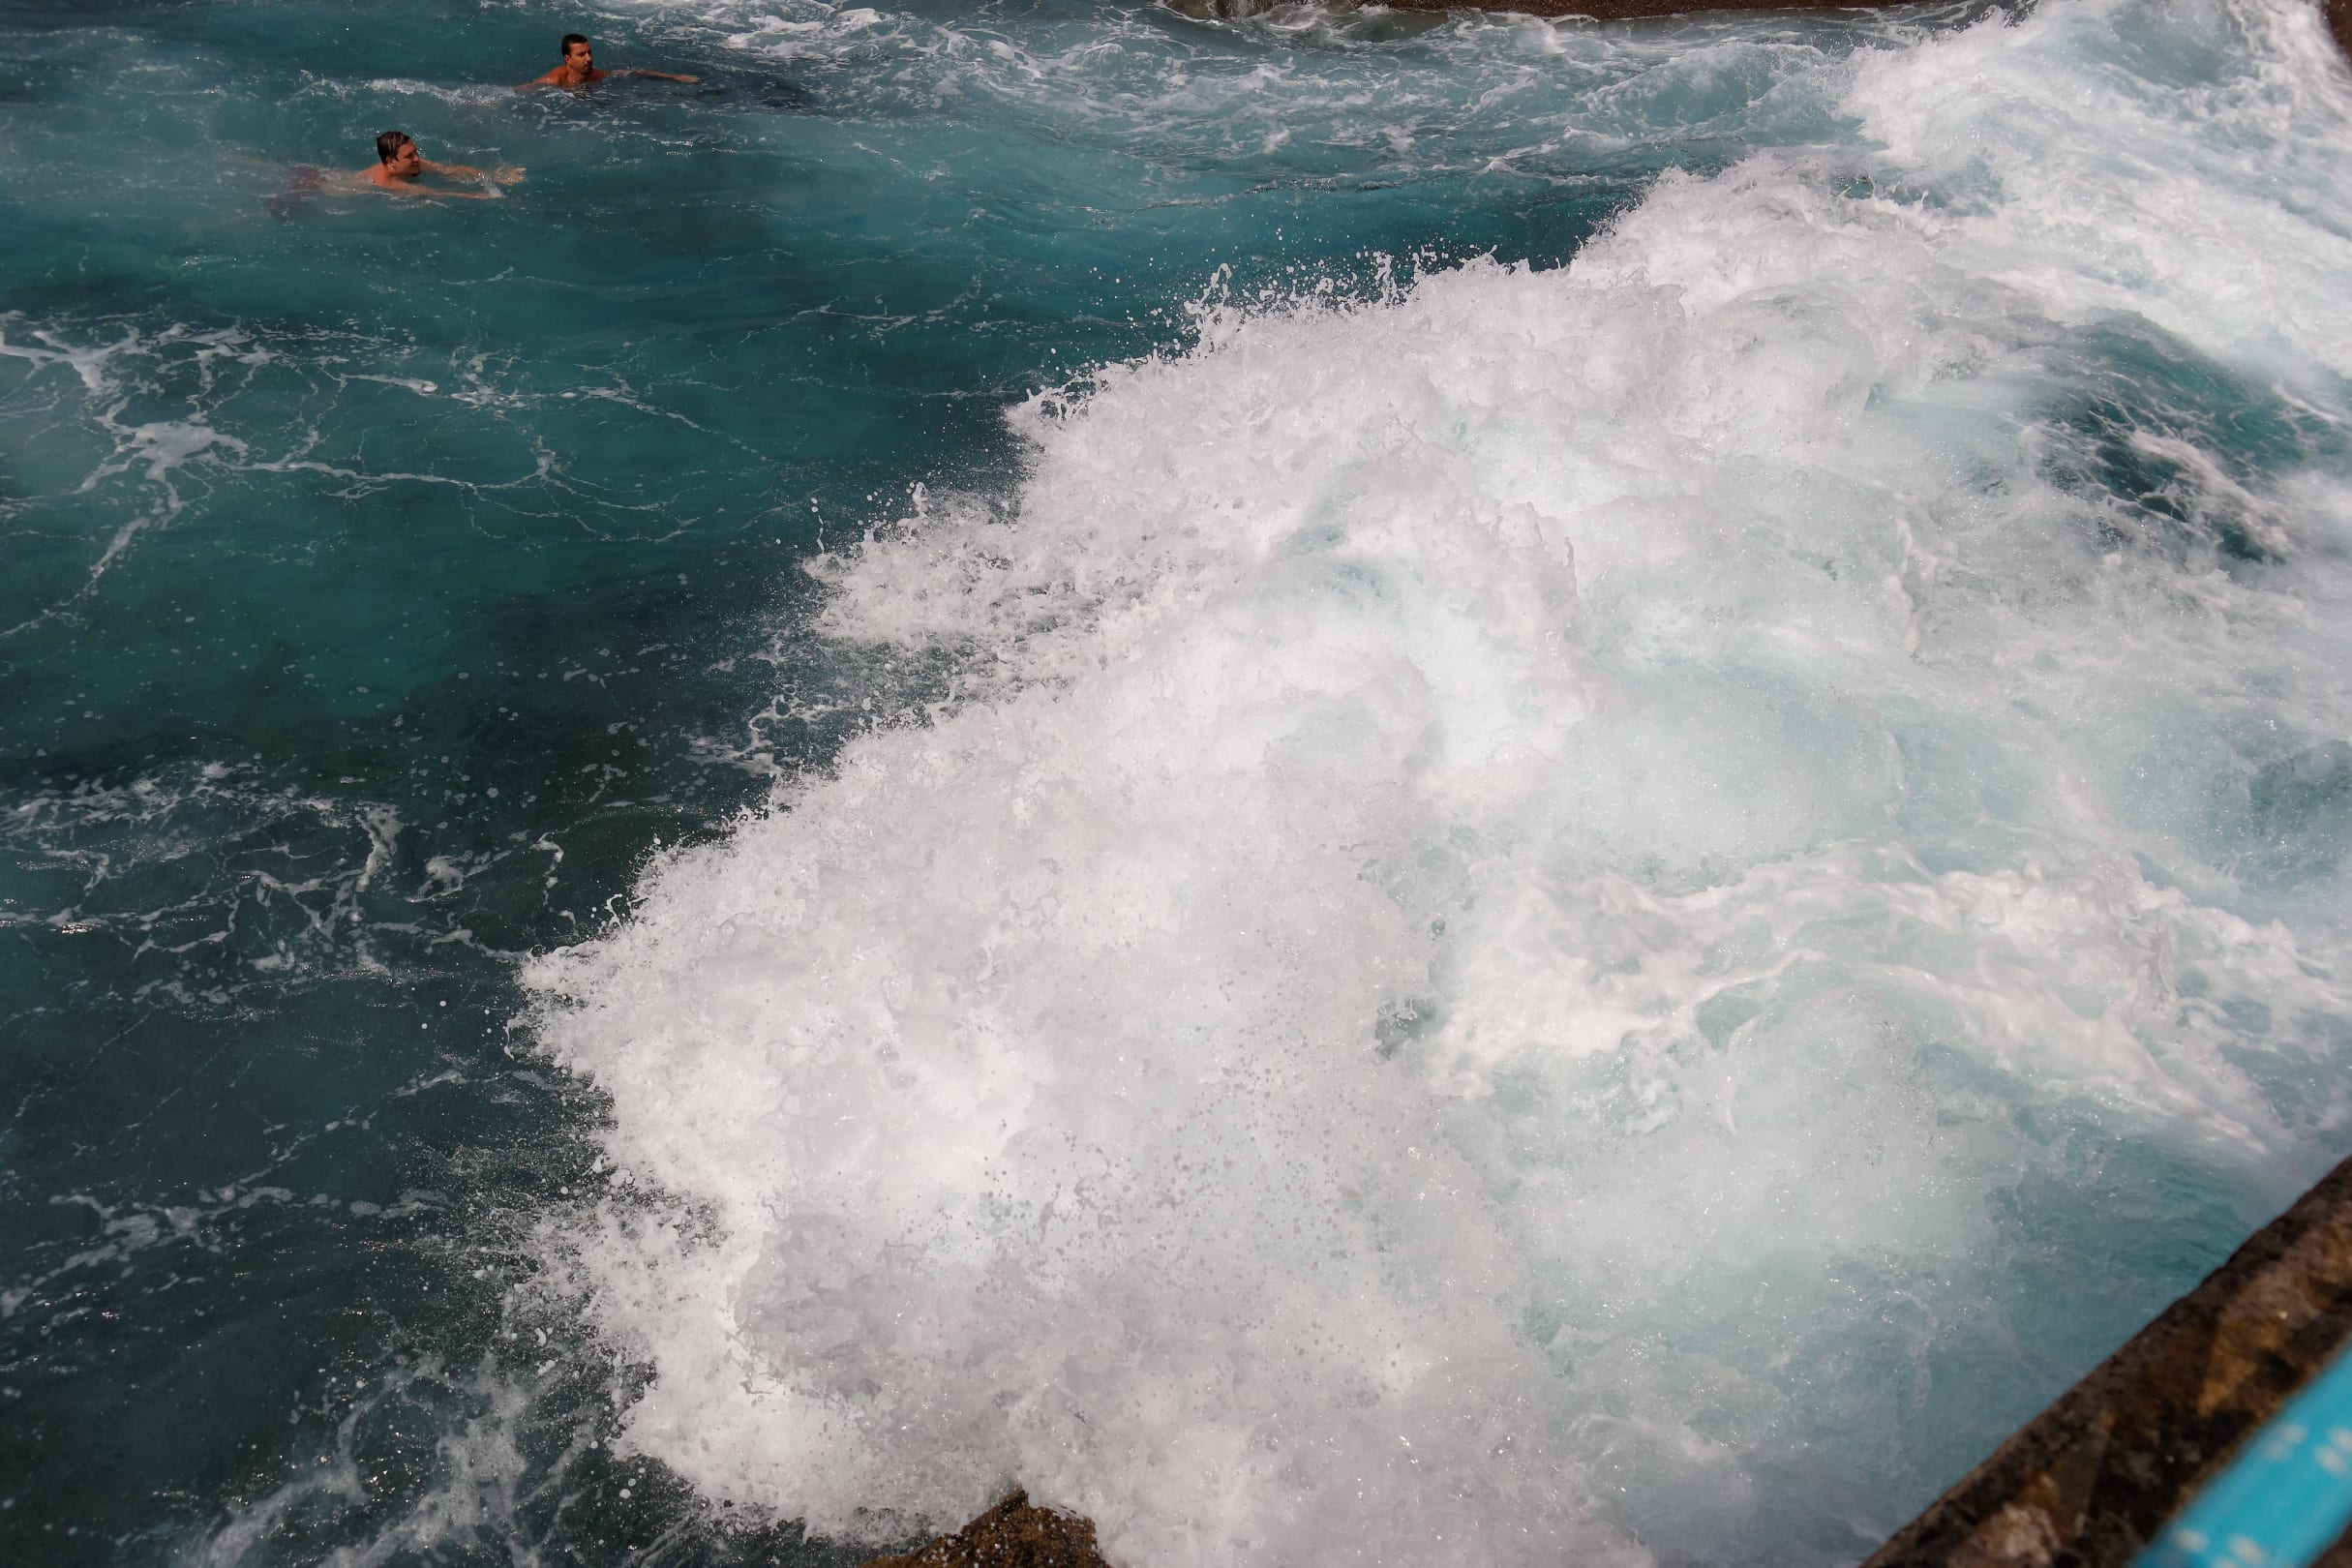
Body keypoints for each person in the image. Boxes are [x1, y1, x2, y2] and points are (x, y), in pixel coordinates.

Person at [360, 131, 525, 198]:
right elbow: (437, 193)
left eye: (415, 152)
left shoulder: (413, 163)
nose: (417, 159)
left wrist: (496, 177)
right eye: (409, 156)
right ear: (391, 162)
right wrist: (480, 196)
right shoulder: (387, 183)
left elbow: (449, 170)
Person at [520, 33, 699, 90]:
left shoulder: (595, 75)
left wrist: (675, 77)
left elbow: (637, 72)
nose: (589, 58)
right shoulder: (554, 81)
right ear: (568, 59)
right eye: (581, 55)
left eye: (589, 52)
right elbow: (523, 90)